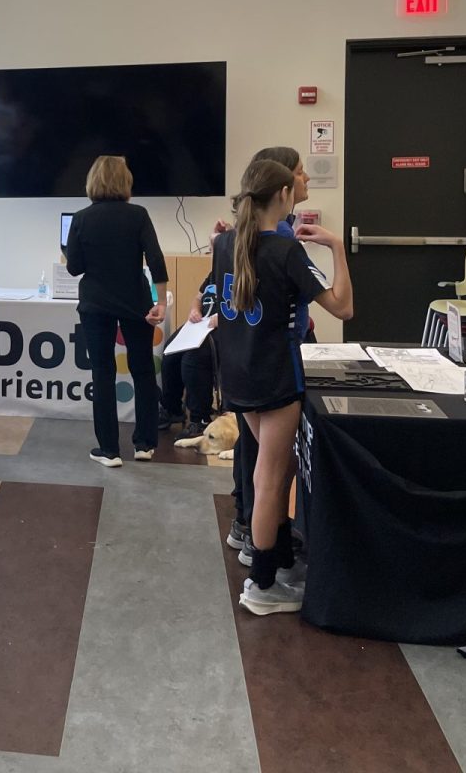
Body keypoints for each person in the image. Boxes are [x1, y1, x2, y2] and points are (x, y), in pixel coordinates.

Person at [205, 159, 351, 616]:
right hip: (276, 378)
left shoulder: (225, 242)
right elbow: (343, 308)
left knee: (275, 469)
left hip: (239, 376)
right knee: (270, 479)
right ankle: (262, 582)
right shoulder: (287, 253)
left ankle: (279, 558)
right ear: (284, 195)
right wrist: (339, 249)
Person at [64, 156, 168, 466]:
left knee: (103, 372)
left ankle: (109, 450)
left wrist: (69, 251)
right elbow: (157, 260)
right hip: (136, 303)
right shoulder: (138, 215)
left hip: (95, 305)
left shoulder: (81, 219)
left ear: (92, 182)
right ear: (126, 182)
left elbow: (74, 268)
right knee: (143, 371)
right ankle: (145, 444)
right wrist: (160, 302)